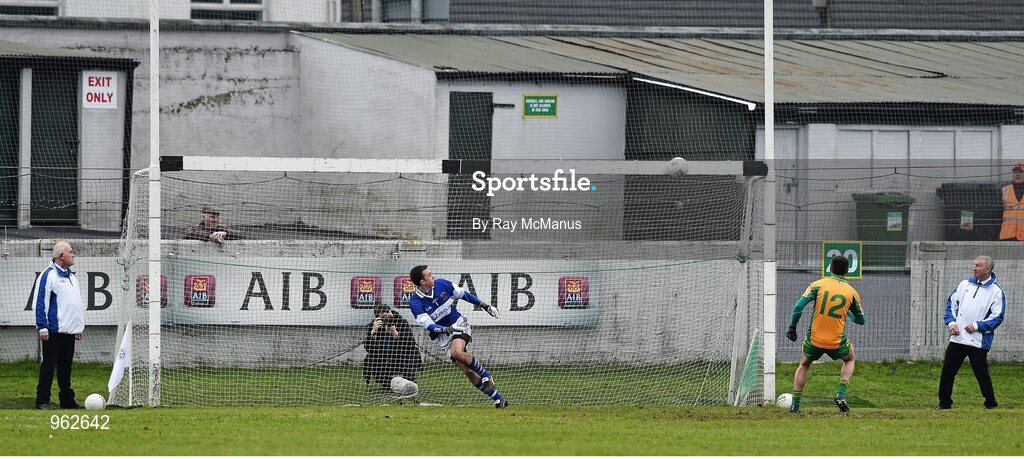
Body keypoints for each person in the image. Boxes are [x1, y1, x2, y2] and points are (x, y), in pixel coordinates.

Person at [408, 265, 507, 408]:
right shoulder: (416, 302)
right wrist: (448, 329)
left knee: (457, 352)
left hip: (459, 324)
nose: (433, 276)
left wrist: (485, 306)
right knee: (467, 370)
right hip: (444, 335)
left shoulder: (442, 284)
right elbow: (428, 325)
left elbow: (463, 294)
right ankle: (498, 398)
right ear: (422, 281)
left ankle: (486, 375)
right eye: (430, 275)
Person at [785, 255, 865, 414]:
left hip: (814, 340)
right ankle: (840, 393)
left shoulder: (817, 285)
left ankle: (795, 405)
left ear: (830, 268)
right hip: (837, 343)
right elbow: (861, 320)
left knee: (804, 364)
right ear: (847, 271)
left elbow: (798, 306)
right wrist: (848, 313)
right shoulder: (852, 292)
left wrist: (792, 328)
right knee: (849, 359)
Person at [936, 255, 1005, 410]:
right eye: (974, 265)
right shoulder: (964, 284)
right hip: (958, 338)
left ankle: (990, 403)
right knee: (948, 371)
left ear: (987, 269)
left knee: (981, 374)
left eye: (978, 265)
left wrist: (976, 326)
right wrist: (952, 323)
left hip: (978, 340)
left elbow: (997, 317)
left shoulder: (997, 291)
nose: (974, 268)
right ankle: (944, 403)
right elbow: (951, 304)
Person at [33, 241, 85, 410]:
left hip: (69, 332)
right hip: (53, 331)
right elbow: (40, 302)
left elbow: (74, 304)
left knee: (66, 367)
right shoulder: (48, 275)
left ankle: (67, 400)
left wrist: (78, 327)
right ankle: (42, 400)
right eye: (71, 252)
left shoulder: (72, 277)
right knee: (48, 365)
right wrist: (42, 326)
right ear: (61, 256)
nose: (73, 254)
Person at [363, 304, 422, 392]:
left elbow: (411, 343)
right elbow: (368, 348)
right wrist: (373, 332)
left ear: (391, 313)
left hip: (400, 357)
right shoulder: (374, 325)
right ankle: (388, 384)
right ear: (378, 317)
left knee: (412, 353)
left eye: (388, 313)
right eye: (383, 317)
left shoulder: (402, 322)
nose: (386, 319)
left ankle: (410, 382)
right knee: (370, 358)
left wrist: (396, 334)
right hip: (382, 358)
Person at [998, 163, 1024, 241]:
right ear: (1012, 174)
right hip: (1007, 235)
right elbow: (996, 213)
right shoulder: (1004, 190)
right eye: (1016, 172)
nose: (1018, 174)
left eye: (1021, 172)